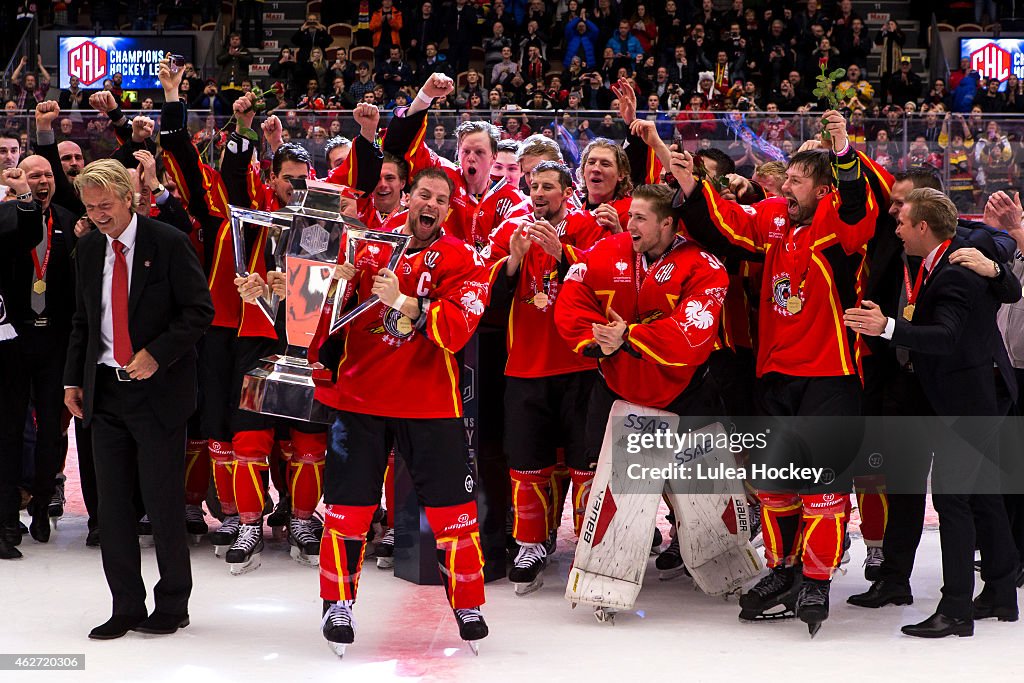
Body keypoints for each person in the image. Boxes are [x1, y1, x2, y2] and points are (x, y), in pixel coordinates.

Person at [671, 111, 882, 635]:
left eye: (795, 180)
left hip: (829, 377)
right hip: (775, 376)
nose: (784, 186)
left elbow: (859, 205)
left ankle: (817, 576)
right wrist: (689, 183)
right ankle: (783, 568)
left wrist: (843, 151)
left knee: (822, 489)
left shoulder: (837, 222)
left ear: (823, 187)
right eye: (784, 178)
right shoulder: (774, 221)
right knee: (774, 487)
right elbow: (728, 224)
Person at [309, 168, 496, 655]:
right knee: (348, 510)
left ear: (449, 209)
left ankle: (468, 603)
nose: (430, 203)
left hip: (431, 402)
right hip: (360, 398)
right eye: (423, 194)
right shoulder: (368, 244)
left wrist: (406, 302)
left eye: (441, 198)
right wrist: (335, 287)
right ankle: (337, 602)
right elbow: (325, 318)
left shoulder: (464, 257)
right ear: (408, 198)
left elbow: (457, 329)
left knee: (453, 511)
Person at [844, 188, 1020, 637]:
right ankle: (1001, 593)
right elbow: (1008, 285)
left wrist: (885, 327)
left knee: (952, 496)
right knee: (982, 494)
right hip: (969, 392)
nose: (896, 229)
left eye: (902, 222)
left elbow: (945, 336)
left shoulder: (955, 271)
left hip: (971, 398)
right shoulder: (942, 258)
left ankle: (957, 609)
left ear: (924, 226)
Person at [63, 159, 213, 639]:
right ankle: (126, 604)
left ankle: (173, 604)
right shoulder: (87, 249)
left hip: (158, 395)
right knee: (111, 508)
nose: (98, 215)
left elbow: (198, 311)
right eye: (90, 207)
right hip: (104, 394)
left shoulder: (167, 243)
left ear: (129, 198)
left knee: (163, 502)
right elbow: (83, 322)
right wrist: (72, 380)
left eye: (105, 205)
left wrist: (156, 355)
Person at [483, 161, 608, 594]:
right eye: (533, 185)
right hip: (526, 367)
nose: (538, 193)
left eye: (548, 187)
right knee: (527, 463)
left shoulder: (588, 228)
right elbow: (489, 300)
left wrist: (564, 255)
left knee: (584, 466)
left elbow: (608, 283)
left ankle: (592, 549)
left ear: (567, 191)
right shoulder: (511, 230)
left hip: (580, 368)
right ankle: (530, 544)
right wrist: (514, 262)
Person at [0, 166, 47, 559]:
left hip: (5, 341)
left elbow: (31, 233)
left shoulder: (5, 208)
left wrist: (24, 195)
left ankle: (4, 522)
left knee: (8, 433)